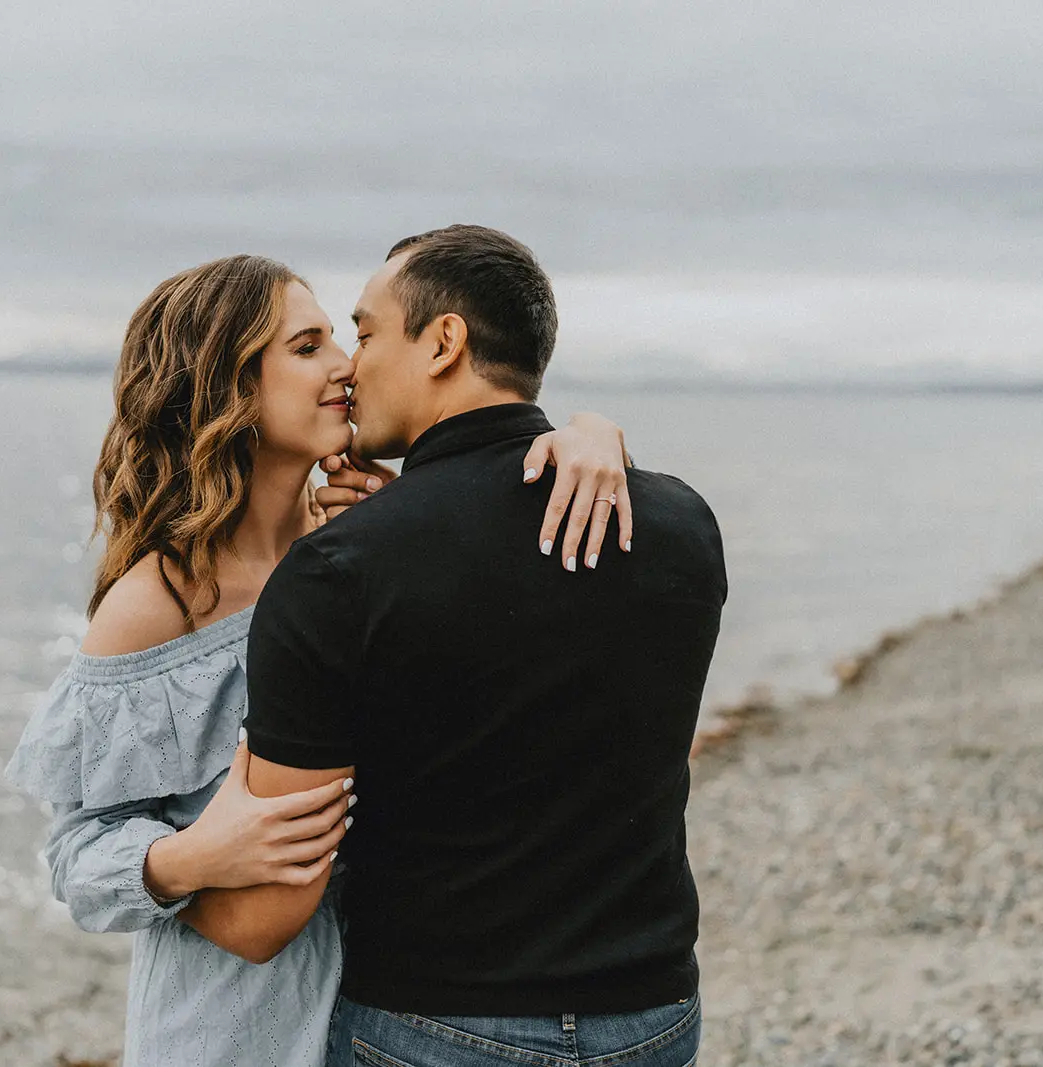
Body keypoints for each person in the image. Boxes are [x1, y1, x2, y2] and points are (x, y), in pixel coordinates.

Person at [3, 252, 637, 1067]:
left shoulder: (361, 551)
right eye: (307, 347)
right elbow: (75, 850)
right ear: (227, 387)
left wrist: (589, 434)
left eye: (340, 338)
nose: (345, 364)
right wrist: (191, 857)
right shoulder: (159, 598)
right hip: (232, 1030)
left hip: (400, 1015)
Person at [215, 226, 728, 1067]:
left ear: (444, 341)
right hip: (650, 1015)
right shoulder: (683, 524)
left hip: (432, 1024)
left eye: (366, 333)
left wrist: (147, 874)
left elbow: (269, 909)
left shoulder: (341, 570)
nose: (350, 366)